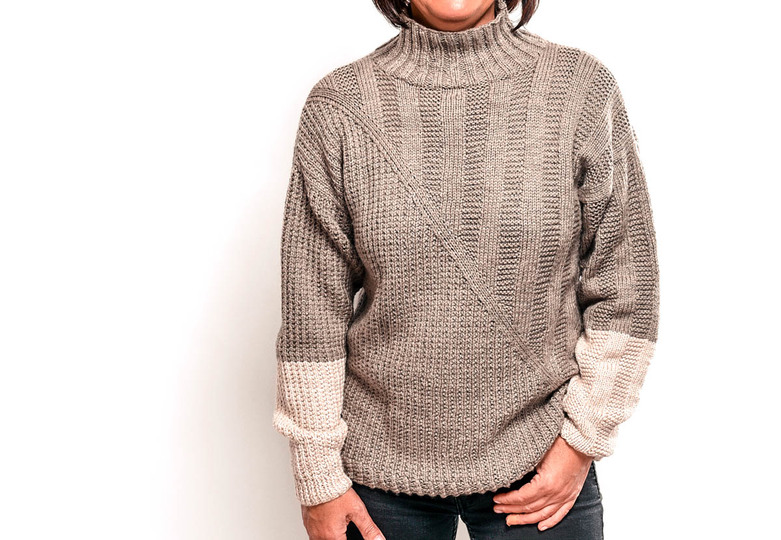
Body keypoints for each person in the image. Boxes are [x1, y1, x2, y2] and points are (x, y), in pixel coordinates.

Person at [272, 0, 660, 538]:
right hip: (375, 474)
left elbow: (628, 286)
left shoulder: (579, 89)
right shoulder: (339, 106)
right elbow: (311, 311)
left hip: (542, 462)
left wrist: (581, 442)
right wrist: (318, 479)